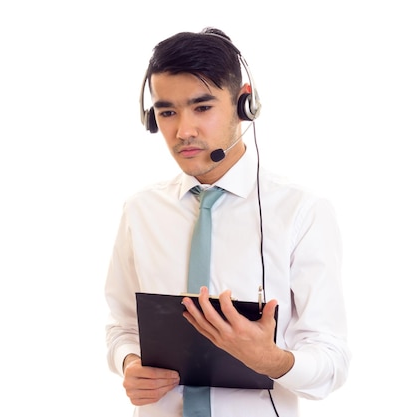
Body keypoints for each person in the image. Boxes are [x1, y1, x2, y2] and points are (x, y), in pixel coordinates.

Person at [104, 27, 350, 417]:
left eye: (203, 108)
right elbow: (122, 327)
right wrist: (128, 364)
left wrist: (274, 362)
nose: (183, 131)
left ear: (244, 105)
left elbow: (331, 363)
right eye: (167, 112)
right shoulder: (140, 211)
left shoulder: (302, 211)